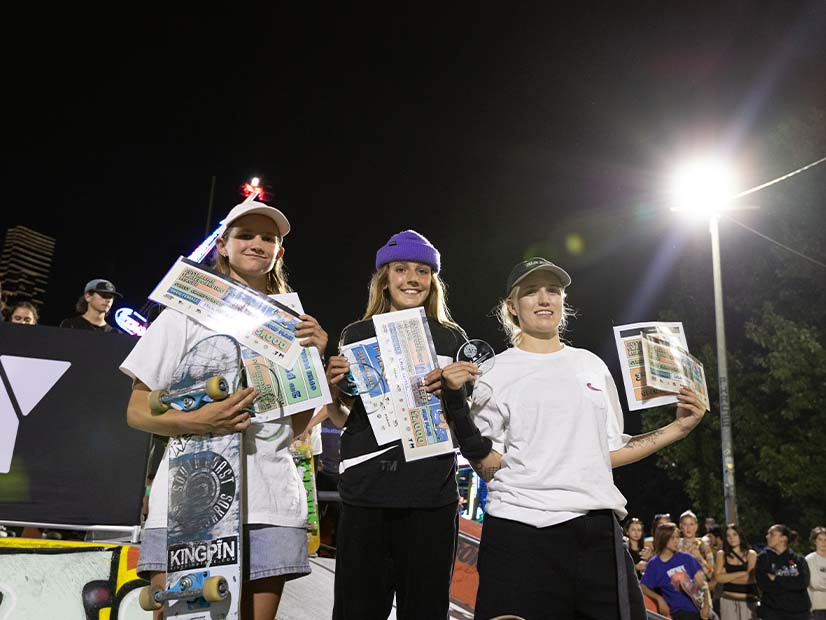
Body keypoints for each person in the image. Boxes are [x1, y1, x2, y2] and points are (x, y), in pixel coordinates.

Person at [438, 257, 709, 619]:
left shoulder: (591, 365)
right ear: (511, 307)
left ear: (564, 302)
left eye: (553, 290)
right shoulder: (491, 373)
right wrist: (457, 408)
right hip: (521, 531)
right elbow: (488, 467)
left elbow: (609, 451)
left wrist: (678, 429)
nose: (544, 298)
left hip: (596, 532)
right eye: (531, 292)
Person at [120, 199, 328, 620]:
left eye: (268, 238)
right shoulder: (182, 316)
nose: (257, 244)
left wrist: (314, 358)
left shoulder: (295, 325)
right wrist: (198, 420)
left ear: (279, 253)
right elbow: (137, 410)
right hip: (187, 501)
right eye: (245, 235)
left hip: (269, 498)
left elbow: (298, 426)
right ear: (223, 245)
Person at [323, 229, 467, 620]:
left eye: (422, 270)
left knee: (425, 610)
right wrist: (334, 389)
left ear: (433, 280)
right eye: (401, 269)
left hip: (430, 494)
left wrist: (458, 389)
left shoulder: (451, 337)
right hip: (367, 493)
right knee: (357, 610)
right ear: (384, 277)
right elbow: (341, 417)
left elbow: (461, 419)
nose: (412, 279)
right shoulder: (356, 334)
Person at [641, 522, 713, 619]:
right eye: (672, 538)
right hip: (680, 612)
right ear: (663, 538)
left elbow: (703, 585)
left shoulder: (687, 558)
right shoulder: (655, 564)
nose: (676, 541)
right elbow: (643, 586)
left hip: (699, 608)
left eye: (677, 537)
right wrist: (659, 599)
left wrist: (706, 606)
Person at [755, 524, 811, 620]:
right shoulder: (763, 559)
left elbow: (803, 583)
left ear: (783, 538)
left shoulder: (798, 559)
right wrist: (791, 582)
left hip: (799, 612)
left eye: (771, 534)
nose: (767, 536)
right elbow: (764, 585)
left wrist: (776, 578)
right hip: (773, 612)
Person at [713, 523, 757, 620]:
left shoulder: (751, 554)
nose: (731, 538)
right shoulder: (721, 554)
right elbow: (718, 578)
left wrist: (726, 577)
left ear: (740, 535)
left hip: (747, 601)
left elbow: (750, 579)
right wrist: (742, 573)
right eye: (728, 535)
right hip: (727, 600)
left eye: (734, 534)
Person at [807, 526, 826, 620]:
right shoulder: (809, 560)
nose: (824, 543)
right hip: (817, 607)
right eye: (820, 539)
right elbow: (815, 583)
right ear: (815, 541)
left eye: (825, 540)